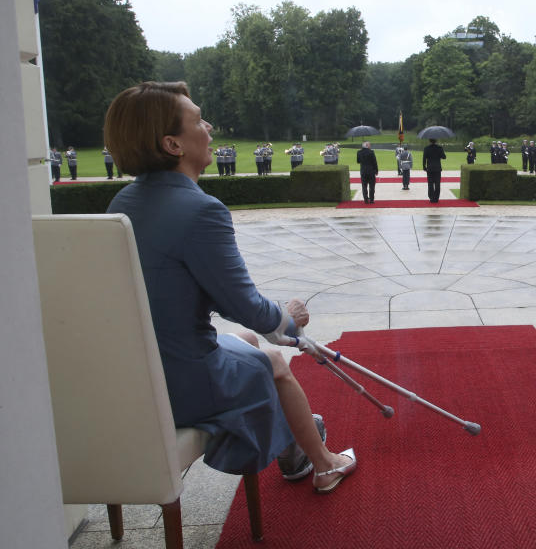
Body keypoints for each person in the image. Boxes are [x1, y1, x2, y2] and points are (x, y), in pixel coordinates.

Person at [103, 81, 356, 493]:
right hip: (179, 380)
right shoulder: (202, 210)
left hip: (137, 371)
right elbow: (250, 310)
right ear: (173, 144)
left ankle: (294, 444)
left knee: (244, 343)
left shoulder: (123, 202)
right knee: (272, 360)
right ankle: (323, 463)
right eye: (199, 120)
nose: (210, 127)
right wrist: (288, 316)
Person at [422, 138, 446, 203]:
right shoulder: (439, 148)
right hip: (437, 168)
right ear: (436, 141)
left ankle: (431, 197)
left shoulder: (426, 148)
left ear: (429, 141)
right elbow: (444, 157)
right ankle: (436, 198)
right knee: (437, 184)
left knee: (430, 184)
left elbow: (424, 158)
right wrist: (442, 150)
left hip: (429, 168)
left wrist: (424, 167)